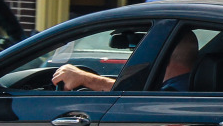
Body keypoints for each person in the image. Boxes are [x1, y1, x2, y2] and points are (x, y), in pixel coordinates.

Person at [52, 30, 198, 93]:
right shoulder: (192, 85)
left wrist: (84, 79)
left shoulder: (173, 92)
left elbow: (135, 97)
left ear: (164, 57)